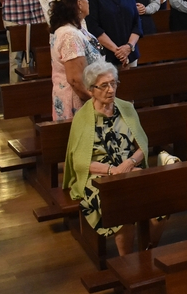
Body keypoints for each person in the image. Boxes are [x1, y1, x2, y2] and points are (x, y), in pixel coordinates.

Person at [63, 61, 154, 256]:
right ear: (91, 90)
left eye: (113, 83)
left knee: (157, 197)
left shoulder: (126, 108)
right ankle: (126, 261)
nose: (110, 89)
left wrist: (128, 164)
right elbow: (80, 162)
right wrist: (113, 171)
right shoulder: (83, 117)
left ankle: (148, 250)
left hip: (128, 170)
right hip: (98, 178)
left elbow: (142, 145)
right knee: (120, 206)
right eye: (104, 85)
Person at [49, 0, 103, 121]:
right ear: (79, 3)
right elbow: (76, 81)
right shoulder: (69, 35)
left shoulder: (73, 29)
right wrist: (99, 101)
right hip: (77, 105)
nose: (88, 1)